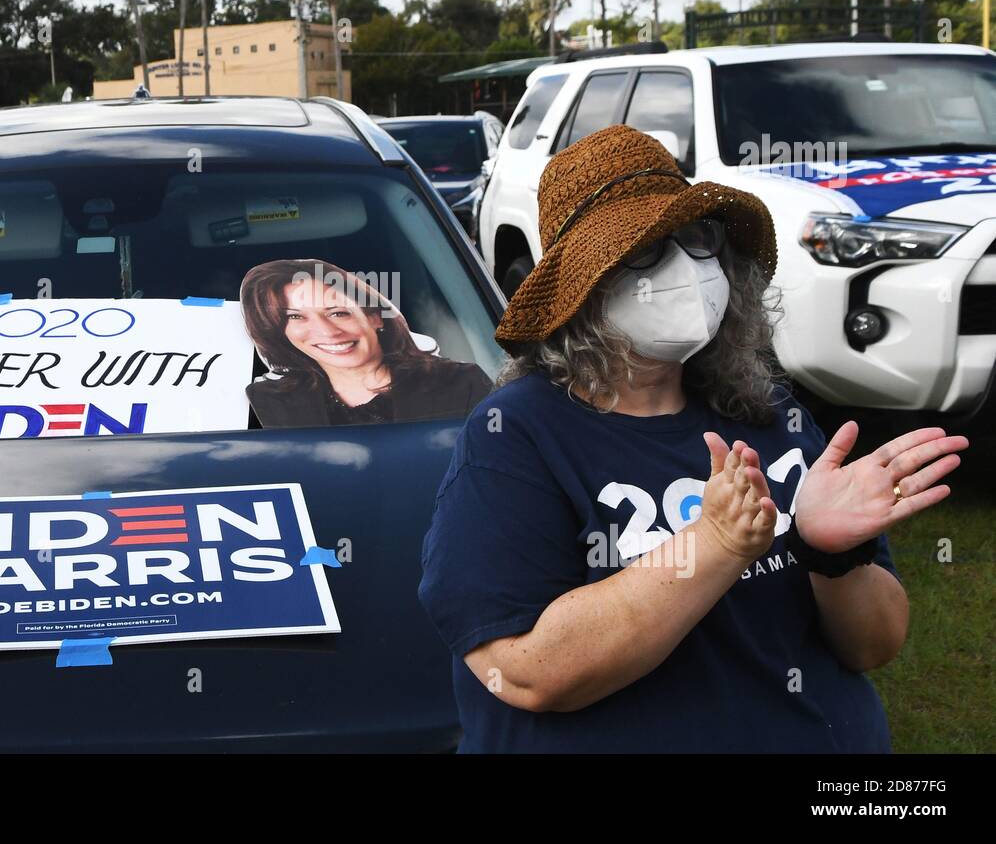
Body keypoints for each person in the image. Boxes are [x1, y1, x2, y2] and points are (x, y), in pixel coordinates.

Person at [418, 124, 967, 753]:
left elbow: (874, 645)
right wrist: (714, 546)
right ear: (583, 289)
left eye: (698, 238)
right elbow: (522, 672)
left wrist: (832, 557)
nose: (687, 266)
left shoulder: (768, 412)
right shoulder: (515, 435)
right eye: (647, 249)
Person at [240, 258, 491, 427]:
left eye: (338, 312)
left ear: (374, 316)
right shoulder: (265, 403)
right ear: (280, 332)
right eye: (295, 317)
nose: (327, 331)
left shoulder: (461, 384)